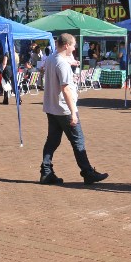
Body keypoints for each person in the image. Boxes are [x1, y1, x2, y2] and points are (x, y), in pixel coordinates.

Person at [39, 33, 108, 186]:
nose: (75, 47)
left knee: (52, 141)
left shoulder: (52, 58)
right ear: (66, 45)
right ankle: (87, 172)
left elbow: (58, 66)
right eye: (73, 45)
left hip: (52, 107)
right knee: (78, 141)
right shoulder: (61, 64)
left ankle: (46, 171)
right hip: (64, 109)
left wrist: (71, 62)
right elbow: (66, 89)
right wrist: (73, 112)